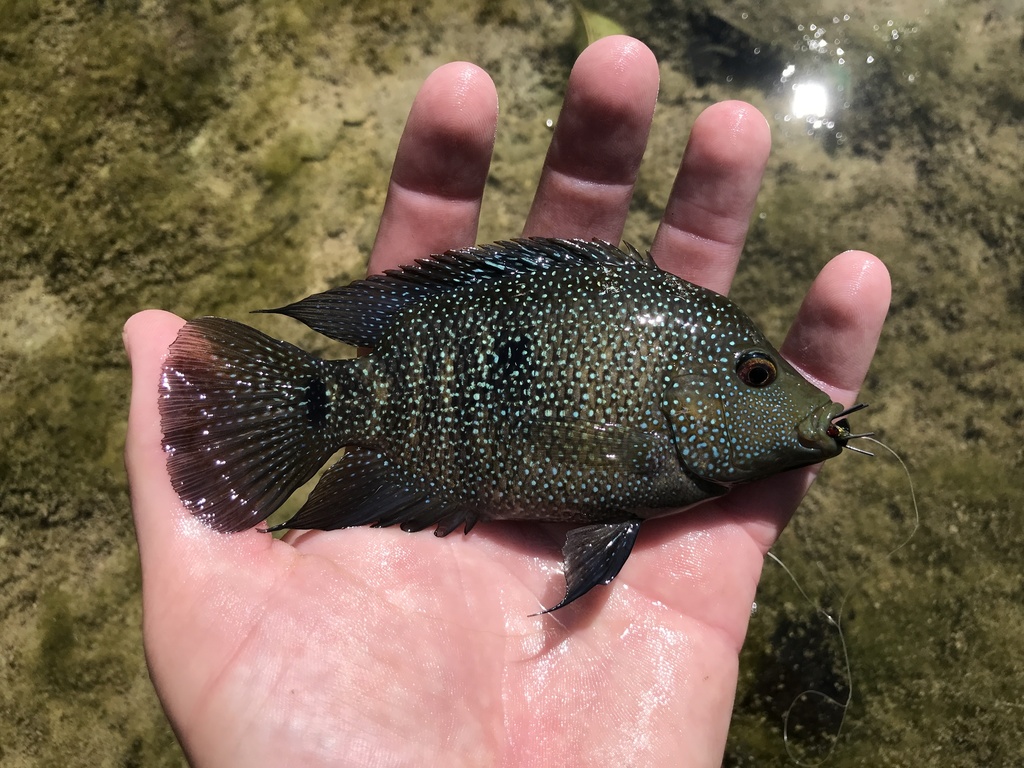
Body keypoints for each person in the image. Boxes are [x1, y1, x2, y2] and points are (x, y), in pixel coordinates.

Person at [124, 35, 890, 767]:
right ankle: (311, 405)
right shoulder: (667, 448)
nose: (785, 393)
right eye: (756, 375)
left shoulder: (686, 449)